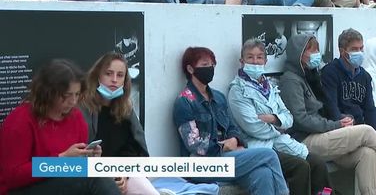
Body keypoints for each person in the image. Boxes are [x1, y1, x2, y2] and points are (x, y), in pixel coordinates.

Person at [279, 34, 376, 195]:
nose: (315, 55)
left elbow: (370, 109)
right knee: (367, 131)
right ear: (298, 53)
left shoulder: (311, 76)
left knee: (367, 154)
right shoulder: (291, 80)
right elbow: (300, 120)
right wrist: (336, 124)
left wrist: (337, 123)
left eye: (317, 51)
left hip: (325, 135)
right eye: (311, 51)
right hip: (305, 140)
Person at [173, 47, 289, 195]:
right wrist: (223, 147)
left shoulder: (218, 97)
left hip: (227, 158)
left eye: (212, 65)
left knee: (263, 173)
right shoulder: (184, 101)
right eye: (204, 65)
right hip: (201, 165)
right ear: (190, 69)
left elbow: (233, 127)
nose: (209, 69)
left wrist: (235, 140)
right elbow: (193, 144)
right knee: (269, 155)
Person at [227, 39, 331, 195]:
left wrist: (272, 119)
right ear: (242, 61)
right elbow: (253, 127)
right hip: (258, 147)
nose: (255, 62)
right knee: (300, 167)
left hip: (281, 142)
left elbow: (289, 118)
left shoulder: (269, 86)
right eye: (250, 57)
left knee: (318, 163)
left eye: (259, 57)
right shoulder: (237, 90)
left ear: (265, 60)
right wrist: (279, 126)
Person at [0, 59, 119, 194]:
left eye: (77, 94)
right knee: (94, 180)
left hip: (62, 183)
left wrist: (90, 159)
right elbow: (13, 176)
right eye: (66, 96)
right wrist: (61, 160)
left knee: (101, 178)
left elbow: (75, 168)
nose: (73, 101)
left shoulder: (76, 118)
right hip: (22, 189)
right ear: (48, 93)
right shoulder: (20, 120)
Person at [80, 53, 159, 194]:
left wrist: (123, 173)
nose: (114, 80)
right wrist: (108, 175)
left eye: (120, 75)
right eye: (109, 74)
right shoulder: (82, 107)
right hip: (94, 174)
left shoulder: (126, 108)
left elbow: (133, 148)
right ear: (98, 76)